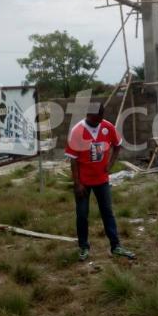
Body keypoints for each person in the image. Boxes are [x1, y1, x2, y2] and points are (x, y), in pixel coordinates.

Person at [65, 102, 135, 262]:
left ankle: (116, 246)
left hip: (102, 180)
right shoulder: (77, 131)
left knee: (107, 213)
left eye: (101, 118)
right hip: (84, 182)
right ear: (88, 115)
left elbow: (117, 145)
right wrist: (77, 184)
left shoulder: (107, 126)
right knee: (82, 214)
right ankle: (83, 246)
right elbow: (73, 161)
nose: (99, 121)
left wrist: (110, 165)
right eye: (97, 118)